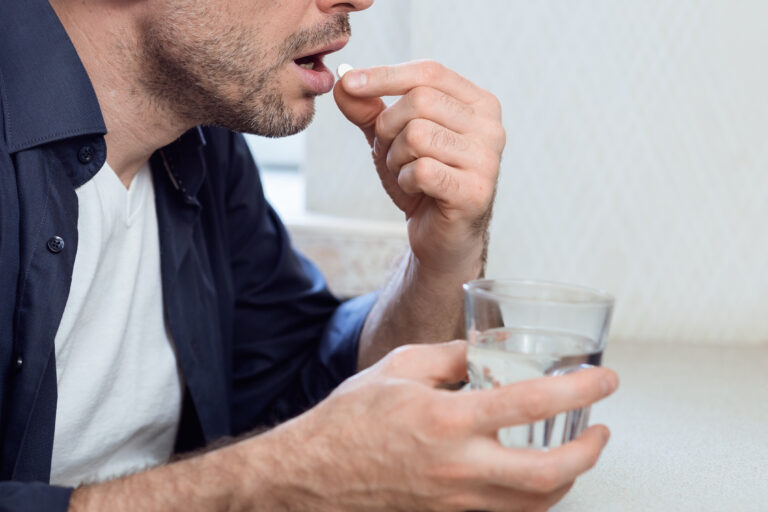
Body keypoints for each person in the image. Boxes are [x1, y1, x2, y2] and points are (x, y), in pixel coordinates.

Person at [0, 0, 619, 510]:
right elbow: (299, 460)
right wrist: (271, 482)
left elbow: (308, 388)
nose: (359, 1)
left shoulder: (202, 147)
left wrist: (441, 256)